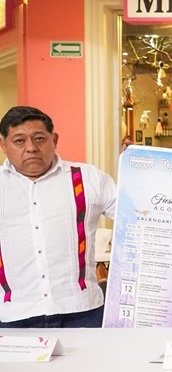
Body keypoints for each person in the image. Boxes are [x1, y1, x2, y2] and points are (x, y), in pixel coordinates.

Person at [0, 106, 116, 328]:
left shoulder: (89, 178)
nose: (31, 148)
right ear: (3, 145)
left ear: (54, 140)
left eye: (39, 138)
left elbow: (136, 219)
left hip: (83, 313)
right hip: (13, 317)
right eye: (19, 141)